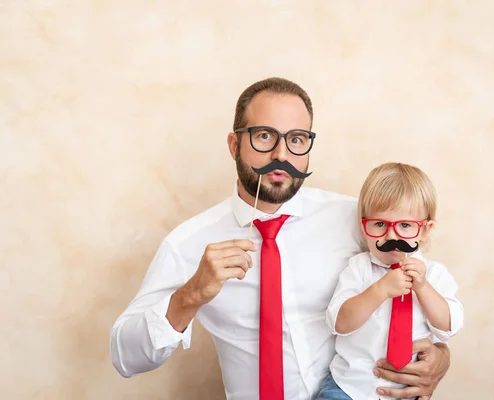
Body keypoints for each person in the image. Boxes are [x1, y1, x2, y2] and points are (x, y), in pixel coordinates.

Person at [110, 77, 452, 400]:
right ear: (234, 144)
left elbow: (411, 283)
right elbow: (126, 357)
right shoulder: (187, 243)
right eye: (264, 136)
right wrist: (189, 296)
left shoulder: (357, 220)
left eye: (296, 139)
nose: (281, 155)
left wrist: (440, 355)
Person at [315, 163, 464, 400]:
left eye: (405, 225)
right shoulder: (359, 268)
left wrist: (423, 287)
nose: (391, 236)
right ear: (364, 226)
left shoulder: (435, 275)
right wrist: (380, 290)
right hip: (348, 387)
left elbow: (449, 326)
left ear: (425, 230)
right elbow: (340, 322)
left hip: (406, 393)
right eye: (380, 224)